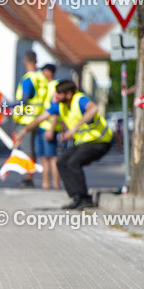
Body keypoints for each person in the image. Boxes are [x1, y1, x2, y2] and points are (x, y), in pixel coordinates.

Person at [12, 80, 112, 210]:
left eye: (59, 94)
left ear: (68, 94)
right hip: (84, 143)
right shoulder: (59, 105)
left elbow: (94, 108)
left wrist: (74, 129)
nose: (56, 96)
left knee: (73, 163)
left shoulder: (79, 99)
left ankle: (84, 198)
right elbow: (41, 118)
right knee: (62, 162)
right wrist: (24, 130)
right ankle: (76, 197)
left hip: (100, 141)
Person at [11, 50, 49, 187]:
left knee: (27, 149)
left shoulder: (28, 79)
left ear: (24, 61)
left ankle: (28, 178)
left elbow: (24, 99)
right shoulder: (41, 78)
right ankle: (29, 177)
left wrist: (7, 105)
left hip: (26, 119)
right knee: (31, 148)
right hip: (38, 117)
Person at [37, 63, 60, 189]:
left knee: (51, 157)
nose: (42, 74)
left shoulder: (55, 86)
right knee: (43, 157)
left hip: (49, 126)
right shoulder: (46, 85)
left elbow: (55, 110)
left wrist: (51, 128)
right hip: (42, 125)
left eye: (44, 71)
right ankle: (45, 183)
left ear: (50, 72)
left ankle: (55, 184)